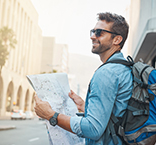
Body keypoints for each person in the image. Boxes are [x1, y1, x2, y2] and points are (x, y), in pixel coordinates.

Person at [34, 12, 133, 145]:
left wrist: (52, 115)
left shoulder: (107, 73)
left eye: (99, 32)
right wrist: (85, 106)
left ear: (117, 40)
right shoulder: (124, 69)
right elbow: (117, 116)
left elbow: (93, 129)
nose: (92, 36)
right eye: (92, 31)